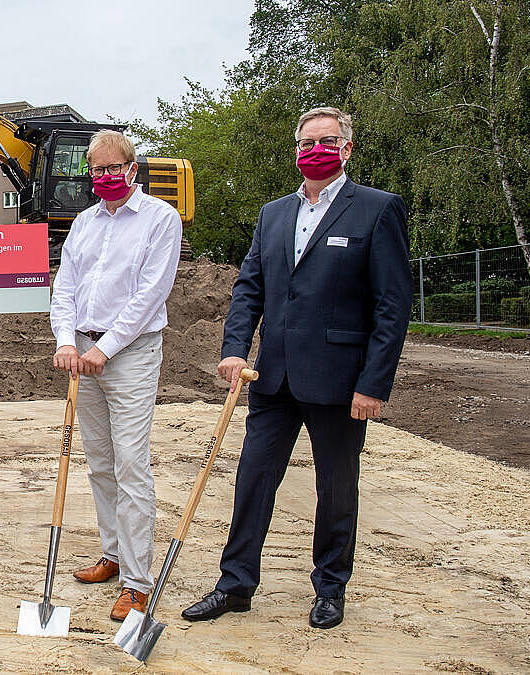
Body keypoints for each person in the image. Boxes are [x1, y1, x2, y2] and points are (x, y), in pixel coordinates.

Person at [181, 106, 410, 629]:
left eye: (326, 141)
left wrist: (374, 383)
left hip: (340, 381)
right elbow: (250, 288)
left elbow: (392, 306)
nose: (315, 150)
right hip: (272, 376)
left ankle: (330, 588)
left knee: (335, 488)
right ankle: (235, 583)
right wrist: (235, 348)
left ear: (347, 148)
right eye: (306, 143)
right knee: (253, 479)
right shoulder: (274, 214)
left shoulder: (376, 210)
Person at [49, 129, 182, 621]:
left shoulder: (160, 220)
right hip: (82, 350)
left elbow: (150, 293)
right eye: (96, 170)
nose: (104, 177)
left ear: (131, 168)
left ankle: (137, 580)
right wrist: (67, 339)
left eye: (113, 168)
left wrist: (105, 348)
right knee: (100, 463)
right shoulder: (83, 222)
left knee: (131, 465)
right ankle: (113, 554)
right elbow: (65, 285)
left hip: (129, 354)